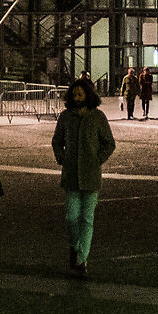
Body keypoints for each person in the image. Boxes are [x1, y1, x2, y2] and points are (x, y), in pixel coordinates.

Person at [50, 80, 114, 277]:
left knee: (87, 219)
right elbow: (56, 141)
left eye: (81, 94)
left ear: (88, 95)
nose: (77, 98)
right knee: (71, 217)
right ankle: (75, 247)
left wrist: (97, 160)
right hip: (71, 175)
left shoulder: (97, 117)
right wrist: (61, 157)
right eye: (75, 94)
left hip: (91, 175)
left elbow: (109, 143)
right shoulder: (66, 117)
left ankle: (81, 259)